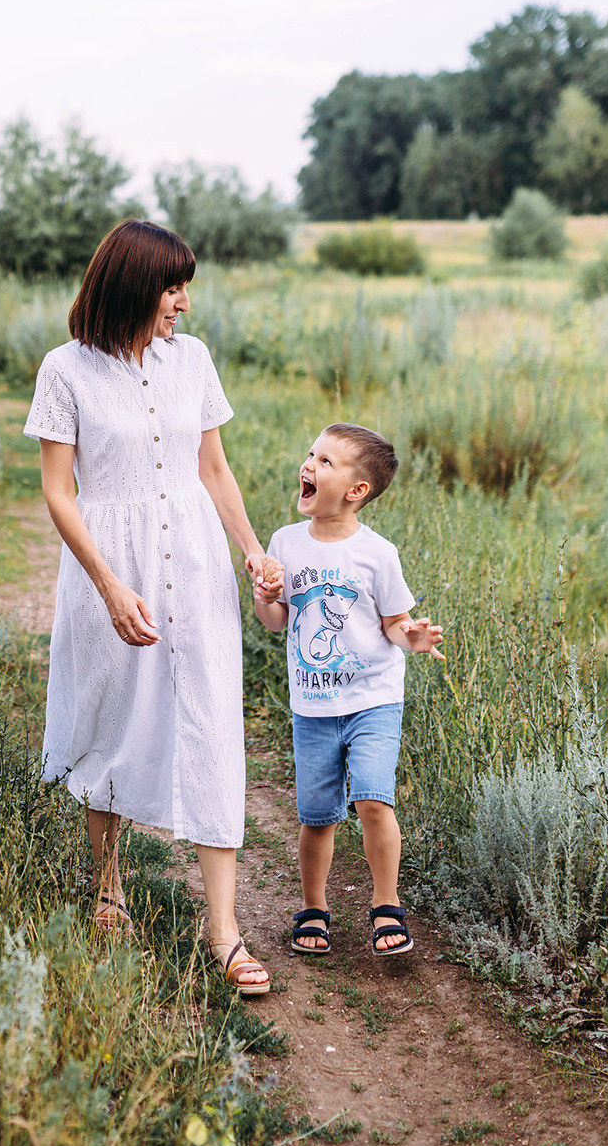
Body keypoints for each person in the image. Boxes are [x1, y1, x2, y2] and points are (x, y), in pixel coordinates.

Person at [24, 218, 276, 998]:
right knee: (111, 717)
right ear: (134, 285)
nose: (184, 303)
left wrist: (252, 549)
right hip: (110, 564)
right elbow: (58, 492)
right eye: (172, 288)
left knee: (211, 722)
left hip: (196, 564)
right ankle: (109, 888)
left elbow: (214, 468)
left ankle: (223, 928)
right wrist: (107, 584)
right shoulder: (65, 369)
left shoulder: (192, 360)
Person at [251, 424, 445, 958]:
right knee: (316, 816)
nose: (308, 466)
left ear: (357, 490)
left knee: (372, 799)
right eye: (310, 454)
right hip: (312, 704)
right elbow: (277, 620)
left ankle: (387, 905)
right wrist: (265, 596)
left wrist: (413, 637)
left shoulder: (377, 553)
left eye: (325, 462)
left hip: (373, 701)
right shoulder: (285, 543)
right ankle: (314, 908)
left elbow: (394, 623)